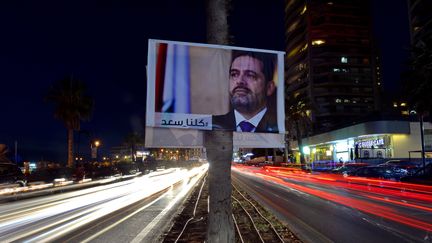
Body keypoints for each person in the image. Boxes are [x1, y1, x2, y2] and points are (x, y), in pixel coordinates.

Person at [213, 50, 279, 133]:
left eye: (250, 75)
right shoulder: (211, 125)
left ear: (269, 87)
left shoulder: (280, 126)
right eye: (234, 74)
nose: (240, 81)